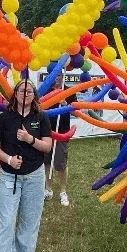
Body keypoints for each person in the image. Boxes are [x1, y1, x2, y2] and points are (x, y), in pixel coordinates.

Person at [0, 80, 52, 252]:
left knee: (30, 222)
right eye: (21, 90)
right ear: (15, 94)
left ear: (34, 95)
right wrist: (8, 159)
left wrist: (29, 139)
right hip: (9, 176)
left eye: (29, 90)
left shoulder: (41, 117)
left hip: (34, 175)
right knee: (5, 223)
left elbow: (47, 145)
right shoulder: (5, 118)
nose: (25, 93)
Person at [44, 74, 76, 206]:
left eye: (59, 75)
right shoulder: (46, 91)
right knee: (46, 162)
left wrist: (66, 105)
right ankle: (47, 189)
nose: (57, 78)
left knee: (61, 164)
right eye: (54, 75)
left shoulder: (68, 91)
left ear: (63, 76)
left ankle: (63, 192)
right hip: (46, 133)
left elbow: (77, 111)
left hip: (62, 132)